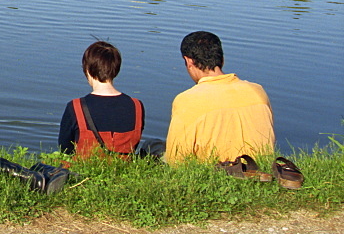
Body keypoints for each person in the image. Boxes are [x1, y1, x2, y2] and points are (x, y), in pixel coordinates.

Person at [165, 31, 274, 163]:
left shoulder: (188, 100)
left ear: (189, 61)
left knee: (153, 146)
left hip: (217, 171)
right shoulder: (257, 91)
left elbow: (176, 159)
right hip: (258, 167)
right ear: (222, 60)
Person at [58, 41, 144, 156]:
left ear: (87, 69)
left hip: (82, 170)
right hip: (124, 166)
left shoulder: (75, 107)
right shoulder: (137, 105)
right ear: (116, 69)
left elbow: (65, 149)